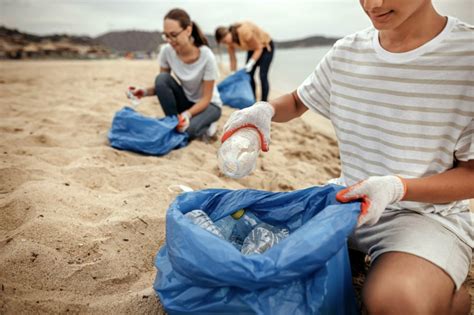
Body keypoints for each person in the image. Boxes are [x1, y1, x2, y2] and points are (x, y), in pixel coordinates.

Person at [220, 1, 473, 314]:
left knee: (393, 301)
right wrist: (264, 111)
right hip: (348, 200)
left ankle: (451, 298)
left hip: (427, 217)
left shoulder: (467, 57)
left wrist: (397, 187)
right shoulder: (346, 51)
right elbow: (299, 101)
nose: (373, 4)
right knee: (260, 266)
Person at [127, 8, 222, 140]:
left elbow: (206, 98)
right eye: (166, 35)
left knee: (188, 131)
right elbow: (162, 85)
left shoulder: (206, 56)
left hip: (209, 105)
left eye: (174, 35)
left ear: (188, 30)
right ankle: (173, 122)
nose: (170, 40)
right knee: (161, 78)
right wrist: (143, 92)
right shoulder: (166, 51)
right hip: (186, 101)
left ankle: (207, 125)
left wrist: (186, 115)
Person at [215, 21, 274, 102]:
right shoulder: (230, 44)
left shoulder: (244, 32)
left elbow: (259, 48)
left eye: (225, 40)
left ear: (228, 33)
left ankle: (264, 102)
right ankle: (253, 100)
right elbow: (233, 59)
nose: (226, 43)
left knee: (262, 75)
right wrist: (233, 73)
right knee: (249, 75)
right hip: (253, 49)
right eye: (224, 43)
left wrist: (251, 63)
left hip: (265, 46)